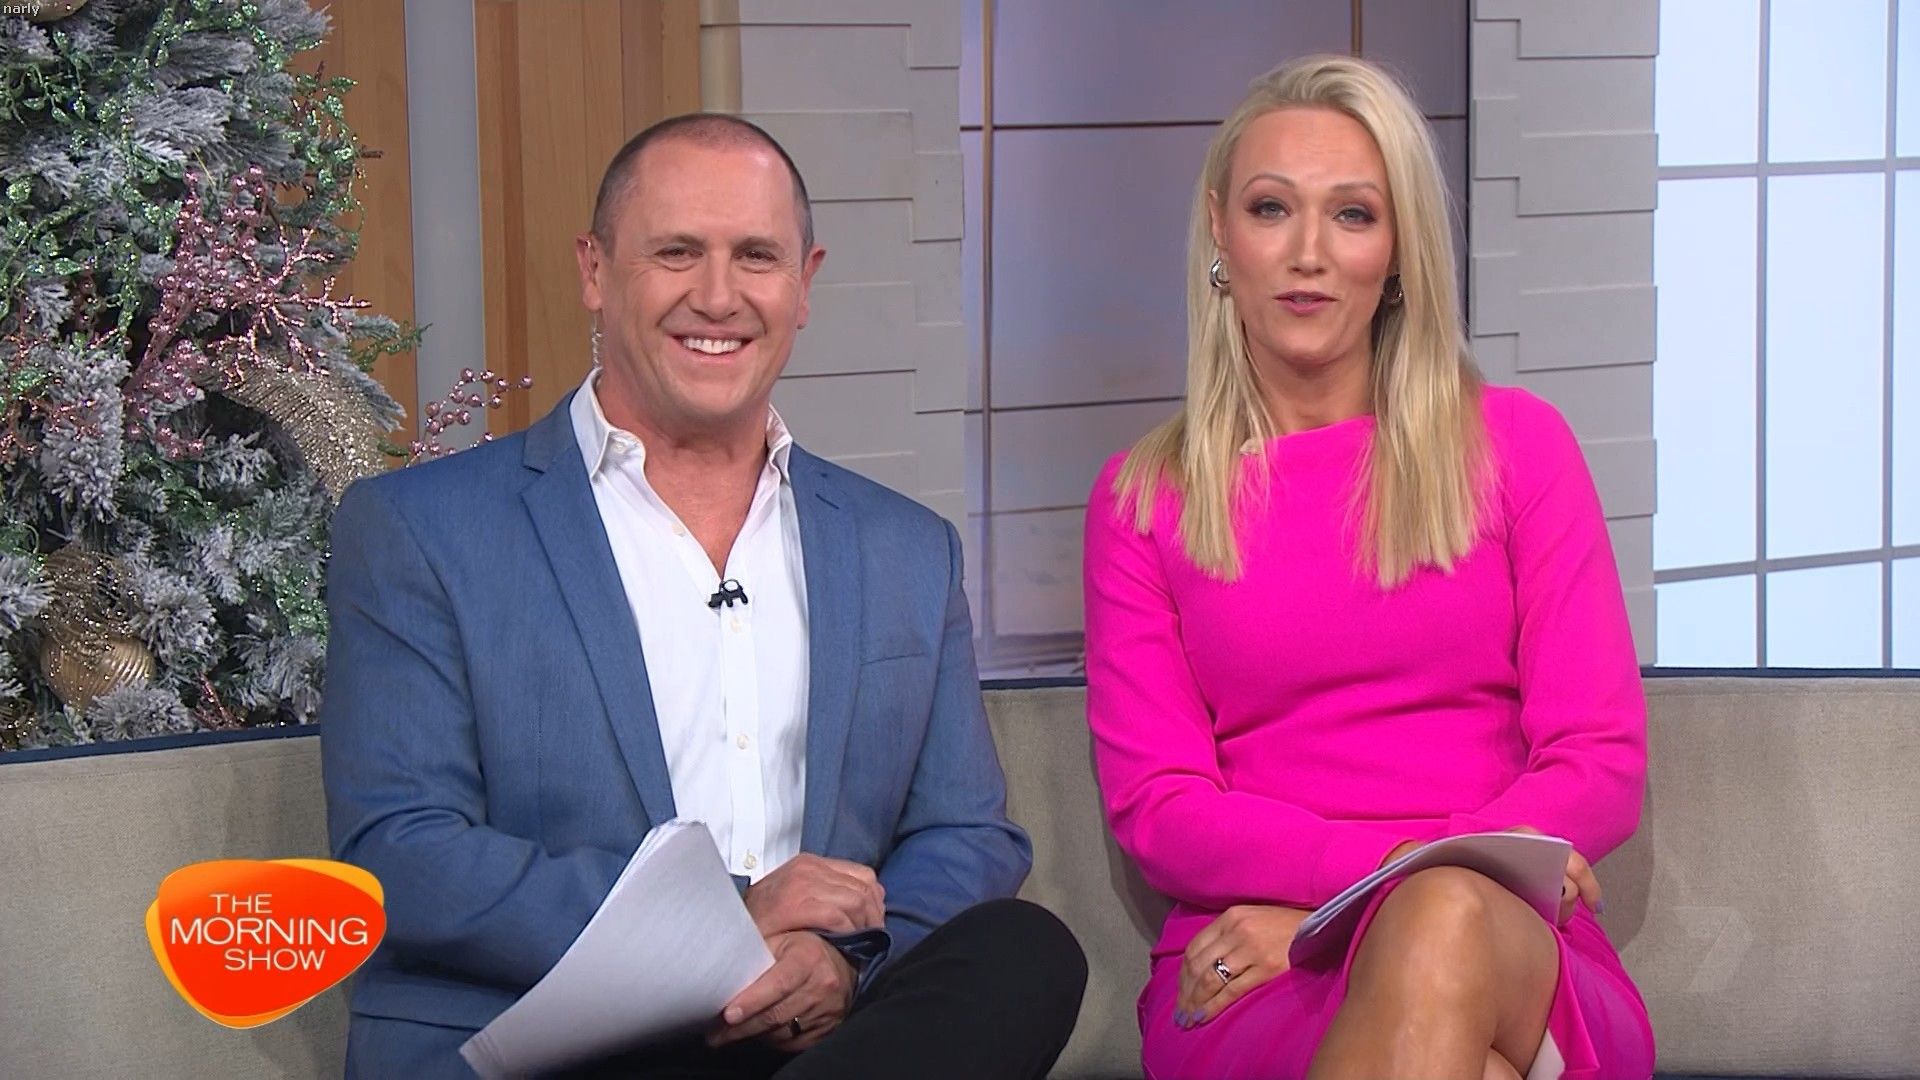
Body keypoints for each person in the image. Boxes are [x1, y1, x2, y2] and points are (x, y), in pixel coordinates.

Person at [322, 112, 1085, 1079]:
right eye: (677, 252)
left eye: (756, 256)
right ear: (596, 271)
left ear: (804, 284)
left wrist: (838, 962)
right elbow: (400, 851)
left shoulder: (905, 548)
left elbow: (965, 834)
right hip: (556, 1036)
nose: (718, 297)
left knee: (1025, 952)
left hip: (815, 1035)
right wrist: (725, 917)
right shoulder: (422, 529)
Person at [1081, 56, 1654, 1080]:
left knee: (1440, 921)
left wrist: (1371, 899)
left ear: (1397, 252)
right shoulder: (1143, 500)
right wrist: (1366, 893)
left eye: (1353, 214)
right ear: (1220, 233)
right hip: (1255, 955)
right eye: (1271, 209)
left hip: (1509, 937)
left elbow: (1598, 762)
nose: (1308, 253)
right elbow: (1160, 808)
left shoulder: (1518, 448)